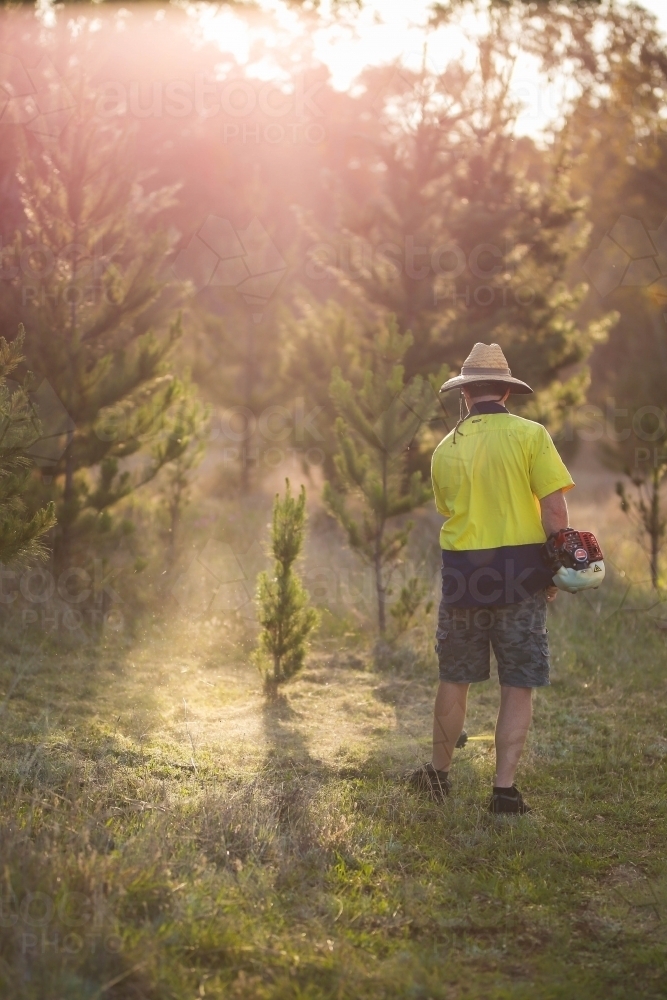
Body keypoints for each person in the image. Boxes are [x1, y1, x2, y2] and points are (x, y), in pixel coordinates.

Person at [409, 342, 574, 814]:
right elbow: (555, 509)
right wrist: (556, 566)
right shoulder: (531, 435)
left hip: (464, 574)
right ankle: (504, 792)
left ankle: (438, 777)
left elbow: (448, 509)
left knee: (454, 678)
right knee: (517, 682)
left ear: (465, 396)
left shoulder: (446, 448)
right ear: (506, 391)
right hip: (521, 574)